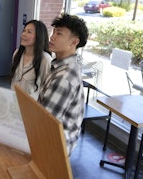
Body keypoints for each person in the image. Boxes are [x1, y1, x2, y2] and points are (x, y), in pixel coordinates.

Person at [38, 13, 88, 156]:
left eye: (59, 34)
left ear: (74, 42)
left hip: (55, 145)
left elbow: (44, 120)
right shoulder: (59, 66)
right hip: (51, 137)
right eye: (53, 32)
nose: (52, 37)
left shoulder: (65, 77)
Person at [11, 20, 52, 99]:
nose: (24, 34)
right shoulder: (17, 53)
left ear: (39, 36)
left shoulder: (45, 60)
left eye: (29, 32)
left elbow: (48, 90)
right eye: (24, 31)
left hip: (31, 107)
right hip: (14, 102)